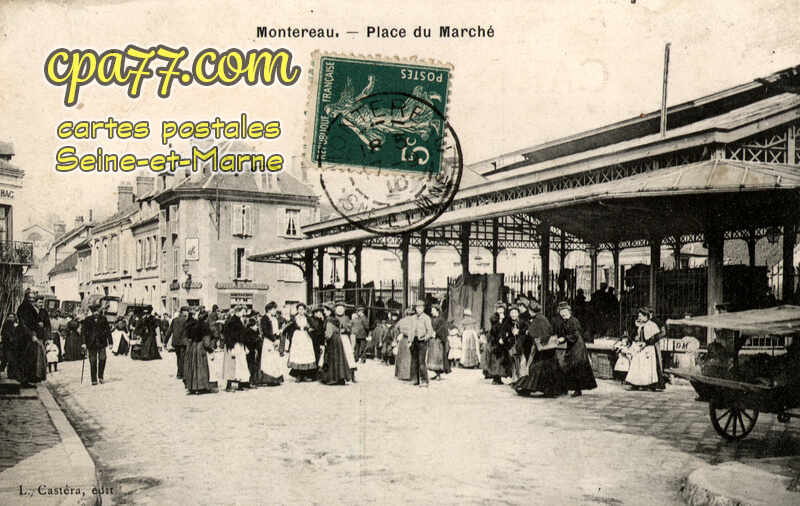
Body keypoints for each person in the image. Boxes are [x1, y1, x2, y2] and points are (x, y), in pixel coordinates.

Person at [514, 301, 567, 397]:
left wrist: (526, 332)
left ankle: (528, 388)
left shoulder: (538, 319)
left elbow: (533, 332)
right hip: (547, 349)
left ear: (531, 310)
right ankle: (550, 390)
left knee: (536, 368)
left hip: (543, 349)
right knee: (546, 369)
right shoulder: (542, 318)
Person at [552, 301, 597, 397]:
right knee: (570, 367)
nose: (562, 313)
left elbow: (576, 335)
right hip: (572, 346)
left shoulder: (574, 321)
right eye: (561, 311)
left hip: (577, 347)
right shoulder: (565, 321)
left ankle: (577, 389)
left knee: (576, 367)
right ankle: (570, 388)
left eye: (564, 311)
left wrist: (564, 338)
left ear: (569, 311)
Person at [625, 307, 665, 391]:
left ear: (645, 316)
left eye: (640, 316)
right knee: (637, 364)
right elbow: (640, 336)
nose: (639, 318)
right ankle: (636, 383)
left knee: (647, 367)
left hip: (649, 349)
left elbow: (655, 337)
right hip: (641, 348)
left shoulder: (651, 325)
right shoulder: (641, 326)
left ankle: (648, 384)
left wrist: (646, 343)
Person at [17, 289, 47, 384]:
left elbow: (34, 321)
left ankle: (31, 377)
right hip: (24, 336)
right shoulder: (23, 308)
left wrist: (38, 326)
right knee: (26, 357)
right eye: (30, 298)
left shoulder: (31, 308)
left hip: (31, 335)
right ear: (26, 297)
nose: (32, 299)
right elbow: (24, 324)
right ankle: (25, 379)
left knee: (32, 357)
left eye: (33, 298)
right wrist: (31, 335)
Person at [318, 303, 352, 385]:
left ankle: (333, 378)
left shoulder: (329, 320)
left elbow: (328, 334)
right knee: (339, 359)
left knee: (332, 359)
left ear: (329, 311)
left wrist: (324, 340)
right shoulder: (334, 319)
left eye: (325, 310)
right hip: (338, 340)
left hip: (332, 341)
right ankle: (340, 378)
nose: (324, 312)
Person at [284, 304, 318, 382]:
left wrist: (309, 328)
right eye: (299, 309)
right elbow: (288, 327)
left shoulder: (308, 318)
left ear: (305, 310)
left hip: (306, 337)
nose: (301, 311)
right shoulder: (294, 318)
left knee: (305, 355)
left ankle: (305, 375)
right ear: (297, 310)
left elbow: (314, 326)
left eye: (302, 309)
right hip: (297, 337)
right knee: (298, 355)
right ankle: (298, 375)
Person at [184, 310, 215, 394]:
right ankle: (202, 386)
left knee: (193, 367)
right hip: (201, 347)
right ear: (206, 317)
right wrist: (211, 349)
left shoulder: (194, 325)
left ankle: (193, 386)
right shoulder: (205, 326)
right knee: (201, 367)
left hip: (193, 347)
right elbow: (206, 342)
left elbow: (188, 337)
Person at [222, 305, 251, 391]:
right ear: (238, 311)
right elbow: (229, 335)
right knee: (234, 366)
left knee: (239, 366)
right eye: (243, 311)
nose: (244, 313)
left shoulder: (238, 320)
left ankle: (238, 385)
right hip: (235, 345)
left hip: (239, 345)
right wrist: (231, 347)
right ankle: (231, 386)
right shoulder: (233, 321)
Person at [81, 304, 111, 385]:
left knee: (103, 359)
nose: (96, 313)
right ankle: (94, 379)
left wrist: (110, 342)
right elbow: (83, 332)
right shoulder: (87, 320)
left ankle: (100, 376)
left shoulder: (103, 319)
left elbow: (108, 331)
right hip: (91, 343)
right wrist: (83, 343)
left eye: (97, 311)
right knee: (93, 361)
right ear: (92, 312)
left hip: (102, 343)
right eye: (94, 311)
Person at [257, 302, 284, 386]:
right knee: (268, 360)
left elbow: (275, 330)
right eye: (274, 309)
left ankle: (275, 379)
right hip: (268, 341)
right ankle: (268, 379)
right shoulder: (264, 318)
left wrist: (278, 336)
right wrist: (273, 339)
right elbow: (265, 332)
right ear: (269, 309)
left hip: (274, 340)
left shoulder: (274, 319)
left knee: (274, 359)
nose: (275, 311)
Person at [486, 302, 512, 384]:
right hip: (495, 341)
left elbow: (507, 328)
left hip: (503, 342)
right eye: (499, 309)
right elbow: (494, 330)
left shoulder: (507, 318)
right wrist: (500, 321)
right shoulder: (493, 318)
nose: (500, 310)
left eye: (502, 309)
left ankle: (499, 377)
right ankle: (495, 378)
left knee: (502, 360)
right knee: (495, 360)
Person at [409, 300, 434, 387]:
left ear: (423, 308)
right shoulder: (413, 318)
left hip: (422, 342)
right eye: (417, 307)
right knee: (414, 361)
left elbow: (430, 331)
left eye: (420, 307)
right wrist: (409, 340)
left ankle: (424, 381)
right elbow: (410, 330)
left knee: (421, 361)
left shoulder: (426, 318)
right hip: (414, 341)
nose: (418, 309)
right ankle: (415, 379)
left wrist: (425, 338)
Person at [334, 302, 357, 382]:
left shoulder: (346, 318)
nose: (340, 310)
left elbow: (350, 328)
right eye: (338, 309)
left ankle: (352, 375)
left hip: (345, 338)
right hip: (336, 339)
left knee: (349, 355)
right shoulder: (333, 317)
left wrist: (346, 329)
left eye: (341, 309)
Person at [507, 305, 528, 382]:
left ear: (518, 313)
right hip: (512, 345)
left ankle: (521, 378)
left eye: (515, 313)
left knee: (521, 361)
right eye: (511, 313)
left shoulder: (522, 322)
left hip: (521, 345)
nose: (513, 315)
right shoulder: (508, 323)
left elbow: (526, 331)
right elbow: (504, 332)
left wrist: (519, 332)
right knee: (513, 362)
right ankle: (514, 379)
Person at [166, 307, 189, 378]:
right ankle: (183, 374)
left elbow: (169, 331)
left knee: (179, 358)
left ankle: (179, 373)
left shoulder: (174, 320)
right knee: (183, 358)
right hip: (183, 342)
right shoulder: (186, 321)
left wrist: (165, 341)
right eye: (186, 312)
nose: (187, 313)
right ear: (183, 312)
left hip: (176, 342)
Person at [427, 305, 447, 380]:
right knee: (433, 357)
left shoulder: (441, 319)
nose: (431, 311)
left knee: (438, 357)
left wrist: (436, 333)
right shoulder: (431, 319)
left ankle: (438, 374)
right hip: (432, 340)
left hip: (438, 341)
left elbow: (443, 329)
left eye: (433, 310)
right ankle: (436, 373)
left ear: (437, 311)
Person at [394, 307, 414, 381]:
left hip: (403, 340)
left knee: (401, 357)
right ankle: (408, 375)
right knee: (409, 357)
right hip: (410, 340)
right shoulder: (413, 321)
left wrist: (398, 335)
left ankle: (401, 374)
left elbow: (395, 328)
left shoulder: (401, 320)